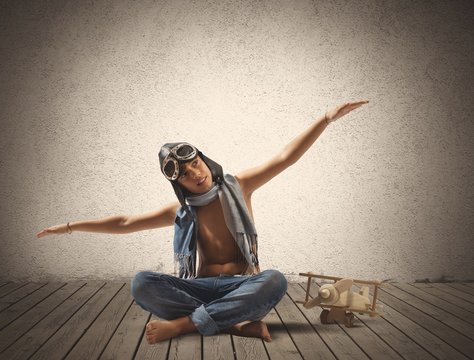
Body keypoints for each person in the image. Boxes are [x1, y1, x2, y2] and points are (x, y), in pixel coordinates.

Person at [37, 100, 369, 343]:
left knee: (275, 281)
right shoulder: (179, 212)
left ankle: (185, 325)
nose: (195, 174)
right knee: (141, 283)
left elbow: (286, 158)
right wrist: (69, 226)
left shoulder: (241, 186)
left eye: (195, 164)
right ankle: (234, 323)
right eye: (184, 174)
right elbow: (124, 223)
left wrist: (325, 119)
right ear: (177, 184)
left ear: (205, 160)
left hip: (243, 284)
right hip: (199, 286)